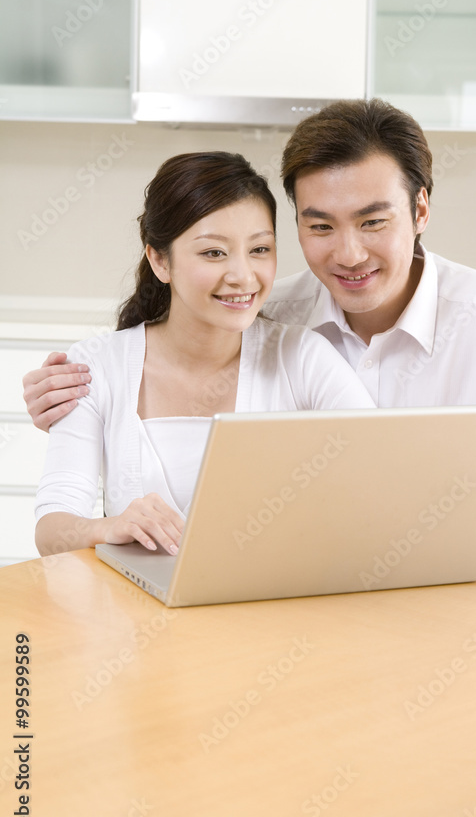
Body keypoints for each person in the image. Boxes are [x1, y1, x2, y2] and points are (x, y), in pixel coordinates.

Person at [25, 101, 476, 539]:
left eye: (373, 222)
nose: (348, 254)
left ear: (420, 209)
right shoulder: (267, 314)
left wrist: (416, 522)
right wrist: (72, 394)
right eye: (321, 226)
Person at [34, 152, 374, 556]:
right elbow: (52, 529)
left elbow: (376, 473)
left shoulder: (302, 357)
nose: (243, 276)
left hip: (263, 609)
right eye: (214, 253)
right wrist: (108, 527)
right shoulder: (98, 365)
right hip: (131, 613)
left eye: (260, 250)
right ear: (160, 260)